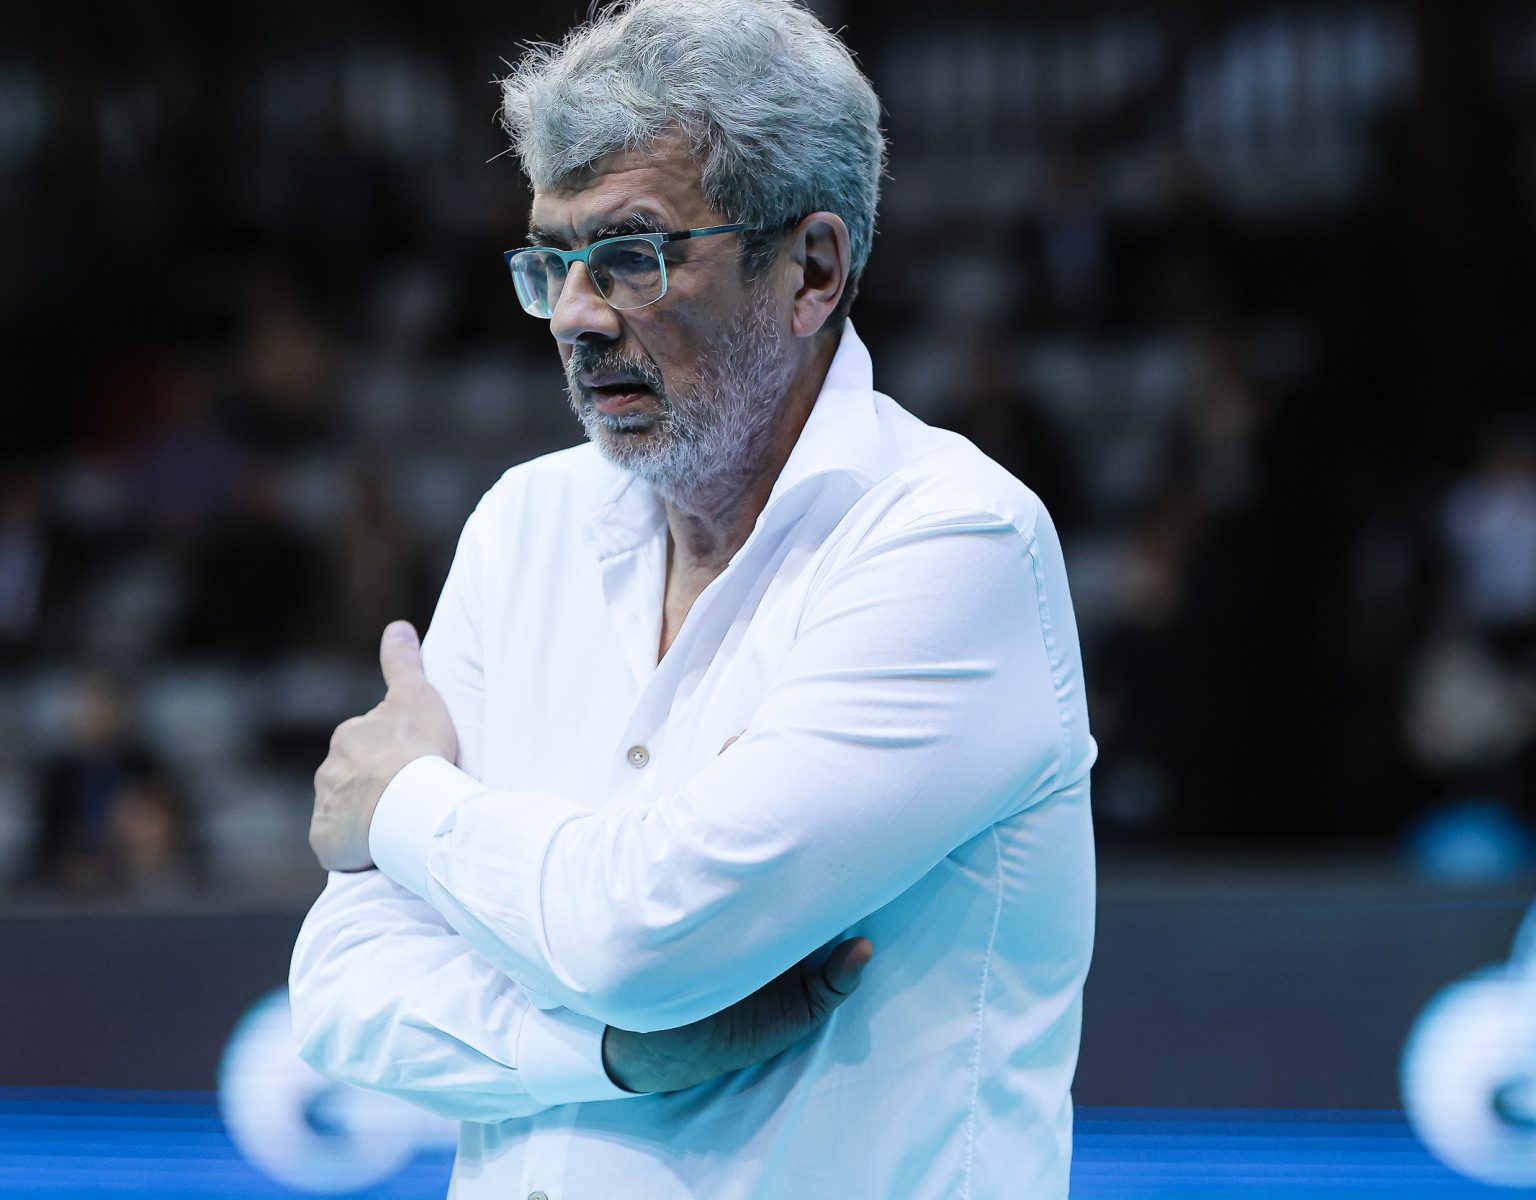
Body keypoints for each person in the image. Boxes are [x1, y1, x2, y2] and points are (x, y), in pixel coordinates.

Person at [288, 2, 1097, 1197]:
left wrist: (398, 800)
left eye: (633, 255)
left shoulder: (953, 540)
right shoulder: (524, 523)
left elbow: (643, 940)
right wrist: (613, 1058)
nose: (576, 314)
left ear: (811, 270)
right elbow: (343, 992)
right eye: (551, 262)